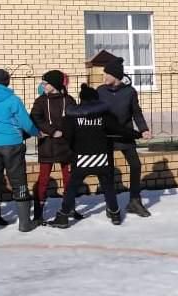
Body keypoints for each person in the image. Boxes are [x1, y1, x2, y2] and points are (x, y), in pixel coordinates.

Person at [51, 84, 142, 227]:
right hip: (102, 158)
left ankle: (63, 217)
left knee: (72, 188)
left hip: (81, 159)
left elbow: (67, 137)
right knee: (108, 186)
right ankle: (115, 214)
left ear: (81, 99)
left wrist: (70, 150)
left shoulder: (72, 117)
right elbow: (120, 129)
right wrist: (138, 134)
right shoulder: (104, 115)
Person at [0, 69, 41, 235]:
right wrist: (36, 132)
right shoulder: (13, 99)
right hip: (13, 144)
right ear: (7, 81)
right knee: (18, 180)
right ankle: (25, 224)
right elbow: (25, 123)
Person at [98, 57, 153, 217]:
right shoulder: (100, 91)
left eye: (107, 74)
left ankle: (134, 201)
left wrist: (144, 129)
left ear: (116, 76)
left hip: (125, 135)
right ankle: (111, 204)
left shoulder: (129, 92)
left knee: (135, 165)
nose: (104, 77)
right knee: (106, 169)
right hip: (105, 136)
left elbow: (136, 112)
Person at [31, 70, 78, 225]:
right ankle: (38, 214)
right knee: (43, 179)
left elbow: (74, 118)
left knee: (68, 178)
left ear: (55, 84)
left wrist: (66, 131)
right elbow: (35, 118)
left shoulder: (69, 100)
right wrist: (52, 131)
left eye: (46, 83)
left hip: (66, 145)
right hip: (48, 145)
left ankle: (69, 207)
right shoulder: (41, 101)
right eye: (43, 83)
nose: (43, 85)